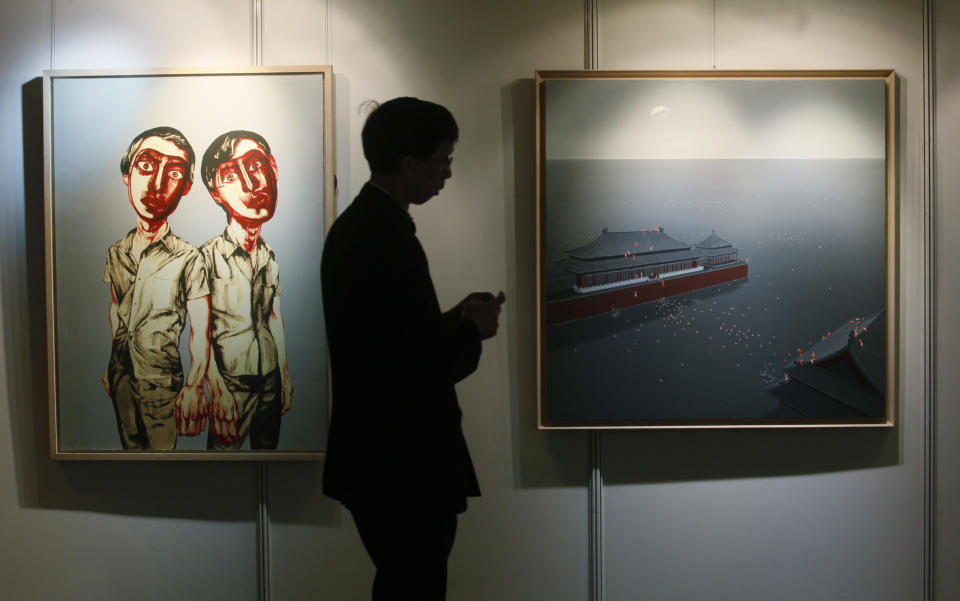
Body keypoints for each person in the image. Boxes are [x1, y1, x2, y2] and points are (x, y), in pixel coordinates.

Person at [321, 97, 505, 600]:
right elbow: (416, 367)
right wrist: (474, 331)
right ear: (407, 164)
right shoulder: (384, 237)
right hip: (403, 466)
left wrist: (452, 318)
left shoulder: (362, 228)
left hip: (379, 459)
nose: (447, 174)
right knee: (414, 585)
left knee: (403, 582)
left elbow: (390, 341)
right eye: (442, 161)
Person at [103, 126, 211, 449]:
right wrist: (112, 361)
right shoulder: (116, 252)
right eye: (146, 166)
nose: (157, 183)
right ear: (127, 172)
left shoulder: (188, 257)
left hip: (163, 384)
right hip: (122, 376)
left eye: (174, 172)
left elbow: (200, 328)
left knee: (162, 462)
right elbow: (115, 306)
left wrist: (194, 385)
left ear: (186, 187)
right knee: (129, 453)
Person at [199, 130, 293, 450]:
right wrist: (216, 390)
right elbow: (201, 332)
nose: (251, 184)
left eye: (254, 166)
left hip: (270, 379)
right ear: (216, 193)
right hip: (231, 383)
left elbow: (274, 319)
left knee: (268, 458)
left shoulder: (269, 256)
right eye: (230, 174)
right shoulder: (207, 257)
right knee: (220, 470)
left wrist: (284, 376)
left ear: (272, 168)